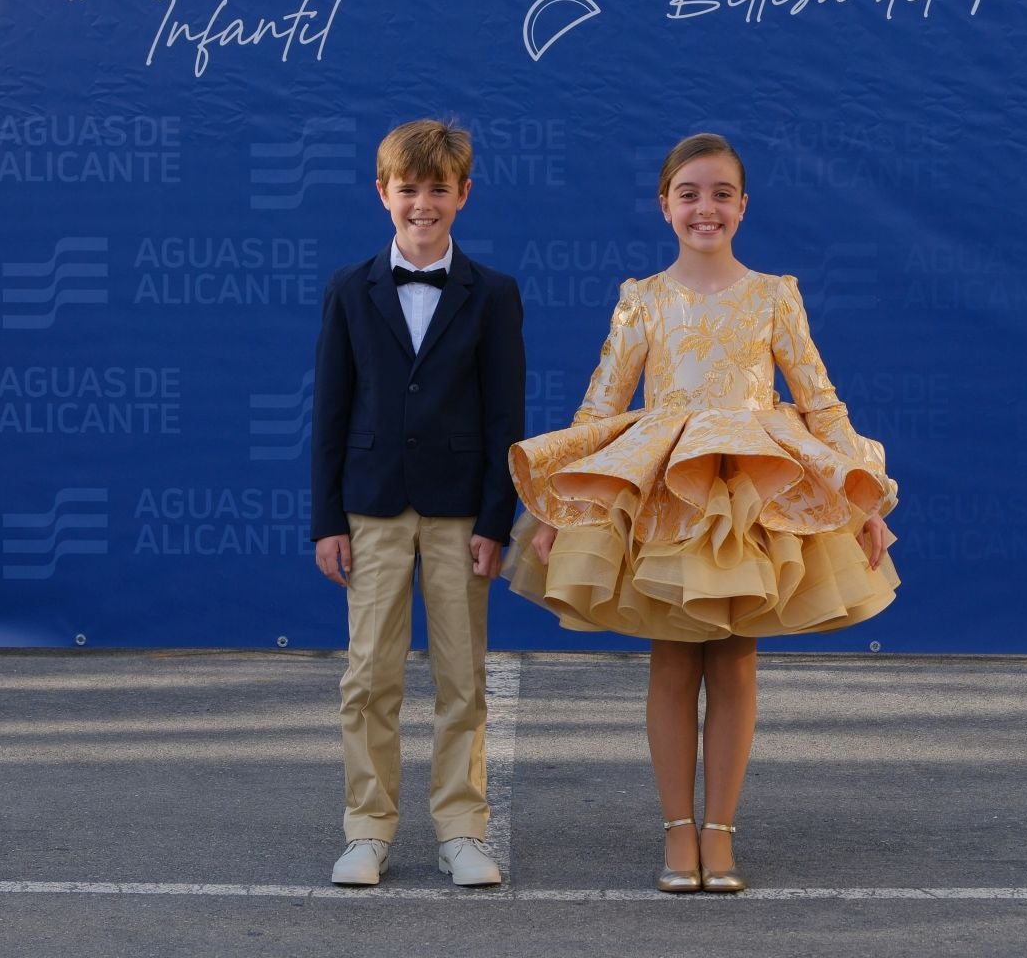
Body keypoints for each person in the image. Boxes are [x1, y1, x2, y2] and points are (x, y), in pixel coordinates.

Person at [503, 132, 898, 893]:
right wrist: (563, 503)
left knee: (738, 660)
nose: (705, 208)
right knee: (674, 657)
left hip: (754, 487)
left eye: (721, 194)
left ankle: (721, 832)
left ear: (743, 207)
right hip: (668, 491)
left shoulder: (774, 294)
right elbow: (602, 405)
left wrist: (864, 497)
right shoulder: (641, 299)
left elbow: (819, 400)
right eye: (689, 194)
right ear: (664, 206)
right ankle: (676, 834)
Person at [312, 119, 525, 888]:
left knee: (462, 675)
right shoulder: (347, 288)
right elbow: (330, 412)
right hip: (369, 509)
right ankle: (367, 829)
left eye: (440, 189)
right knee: (369, 676)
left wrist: (497, 520)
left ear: (464, 195)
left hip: (461, 511)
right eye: (409, 188)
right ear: (383, 194)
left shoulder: (494, 294)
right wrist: (327, 520)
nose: (423, 203)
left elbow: (507, 417)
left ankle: (461, 829)